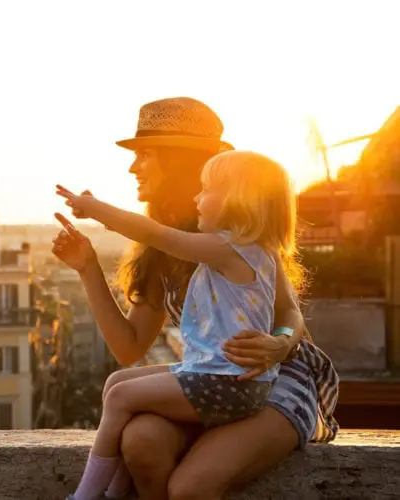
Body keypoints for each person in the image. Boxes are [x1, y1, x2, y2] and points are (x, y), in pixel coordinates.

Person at [51, 97, 339, 500]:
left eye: (144, 155)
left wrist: (280, 342)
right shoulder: (159, 250)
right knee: (140, 443)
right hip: (211, 376)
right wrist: (87, 268)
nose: (133, 168)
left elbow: (289, 312)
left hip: (271, 380)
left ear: (179, 163)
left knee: (192, 486)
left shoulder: (237, 241)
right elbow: (129, 346)